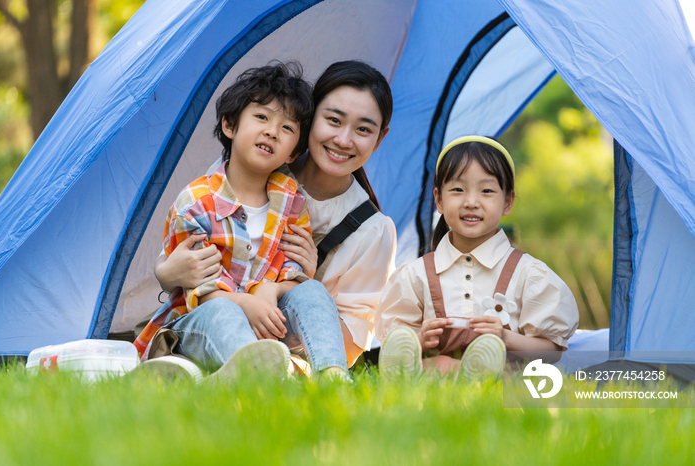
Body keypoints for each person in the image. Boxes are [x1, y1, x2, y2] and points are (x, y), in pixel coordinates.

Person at [155, 61, 398, 369]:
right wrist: (165, 272)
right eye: (333, 120)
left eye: (363, 129)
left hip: (292, 351)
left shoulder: (372, 231)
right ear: (310, 121)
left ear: (380, 138)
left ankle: (317, 380)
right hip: (213, 322)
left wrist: (293, 285)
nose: (344, 140)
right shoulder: (250, 167)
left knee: (310, 293)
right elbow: (187, 239)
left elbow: (351, 344)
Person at [375, 136, 579, 379]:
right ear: (439, 200)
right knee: (435, 366)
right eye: (458, 190)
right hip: (431, 391)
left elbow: (552, 352)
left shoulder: (528, 274)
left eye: (487, 191)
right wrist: (420, 339)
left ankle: (478, 377)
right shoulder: (415, 275)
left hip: (500, 390)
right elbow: (394, 347)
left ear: (507, 202)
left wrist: (505, 337)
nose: (471, 202)